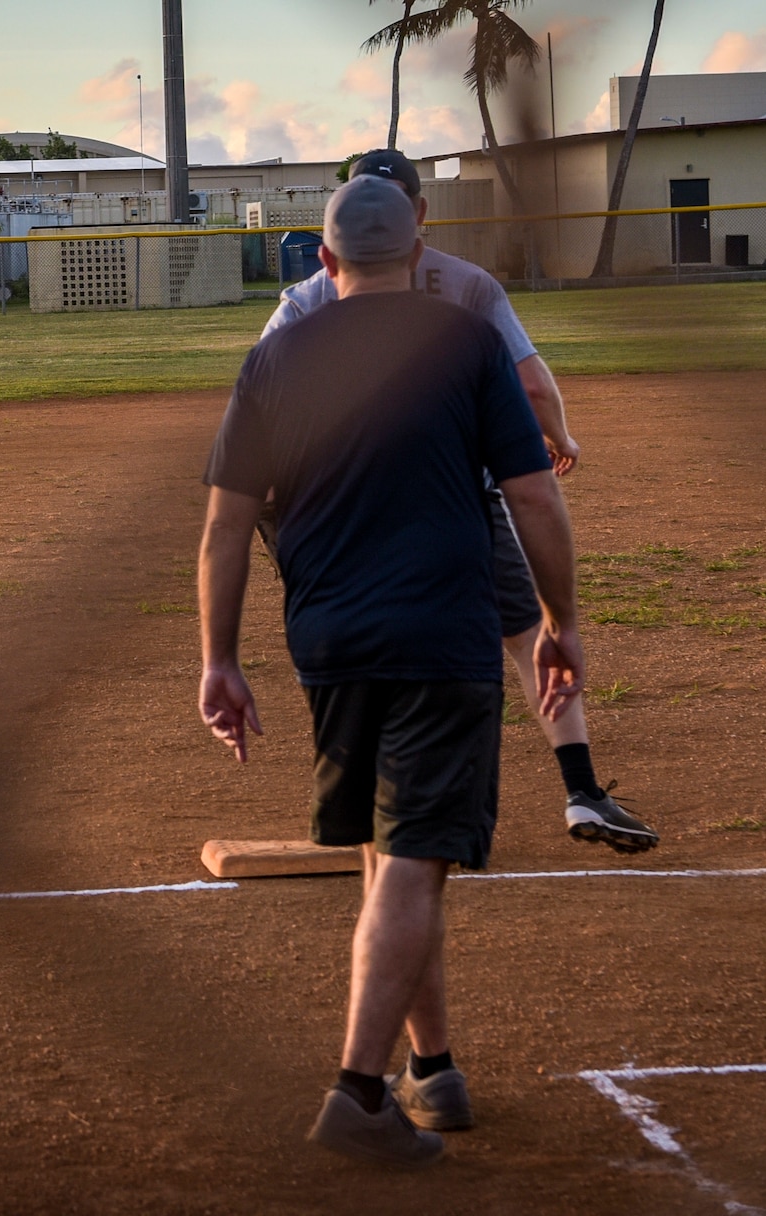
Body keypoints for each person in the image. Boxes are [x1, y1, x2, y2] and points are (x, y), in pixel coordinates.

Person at [198, 177, 585, 1166]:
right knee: (414, 857)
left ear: (321, 264)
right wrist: (557, 620)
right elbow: (534, 497)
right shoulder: (458, 341)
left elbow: (224, 526)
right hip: (441, 635)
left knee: (388, 854)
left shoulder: (276, 351)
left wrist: (218, 660)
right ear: (421, 253)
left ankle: (434, 1066)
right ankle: (357, 1092)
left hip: (327, 645)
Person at [261, 150, 656, 855]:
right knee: (524, 632)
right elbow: (530, 386)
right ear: (418, 216)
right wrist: (559, 435)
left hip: (329, 516)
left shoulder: (310, 296)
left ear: (333, 237)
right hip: (450, 504)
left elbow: (259, 408)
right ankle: (581, 789)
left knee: (345, 636)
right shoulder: (469, 285)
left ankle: (366, 793)